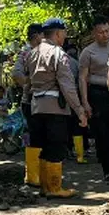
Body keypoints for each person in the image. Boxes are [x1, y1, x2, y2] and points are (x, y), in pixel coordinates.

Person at [29, 18, 88, 198]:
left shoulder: (32, 53)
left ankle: (44, 187)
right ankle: (54, 188)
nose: (66, 36)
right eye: (64, 32)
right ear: (57, 33)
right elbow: (67, 86)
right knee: (56, 145)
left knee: (44, 146)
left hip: (36, 107)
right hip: (55, 107)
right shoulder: (58, 54)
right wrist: (79, 110)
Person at [81, 15, 109, 181]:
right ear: (94, 33)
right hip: (97, 94)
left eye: (107, 31)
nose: (105, 35)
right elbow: (82, 78)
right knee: (102, 132)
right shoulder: (88, 52)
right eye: (101, 32)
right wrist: (85, 102)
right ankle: (107, 168)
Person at [12, 23, 45, 186]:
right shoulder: (26, 53)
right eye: (42, 35)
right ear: (37, 36)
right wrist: (29, 84)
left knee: (38, 137)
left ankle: (38, 174)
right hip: (31, 100)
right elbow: (16, 73)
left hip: (40, 100)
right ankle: (33, 176)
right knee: (35, 137)